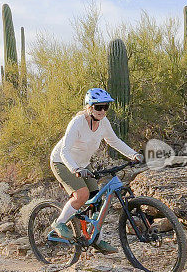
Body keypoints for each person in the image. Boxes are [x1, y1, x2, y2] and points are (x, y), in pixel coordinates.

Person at [49, 88, 144, 253]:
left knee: (96, 200)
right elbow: (64, 151)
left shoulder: (104, 122)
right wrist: (75, 168)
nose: (102, 111)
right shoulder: (77, 123)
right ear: (89, 107)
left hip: (83, 164)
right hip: (63, 162)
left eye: (105, 107)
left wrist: (133, 154)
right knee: (82, 194)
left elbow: (114, 141)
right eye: (98, 107)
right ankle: (60, 223)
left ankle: (94, 238)